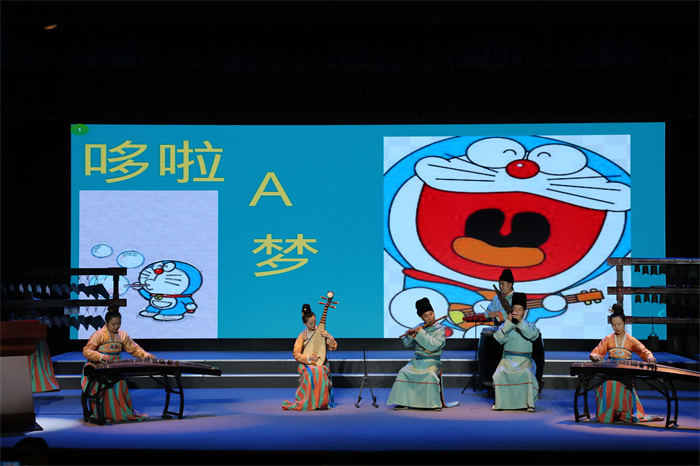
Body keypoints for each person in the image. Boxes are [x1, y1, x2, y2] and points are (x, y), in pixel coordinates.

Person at [589, 304, 663, 423]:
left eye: (619, 324)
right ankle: (607, 415)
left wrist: (650, 357)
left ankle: (622, 413)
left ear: (625, 323)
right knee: (609, 383)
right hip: (610, 372)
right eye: (614, 325)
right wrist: (595, 356)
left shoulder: (631, 340)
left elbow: (644, 351)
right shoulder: (608, 339)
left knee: (617, 384)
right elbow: (595, 352)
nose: (617, 327)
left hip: (625, 374)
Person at [81, 307, 155, 422]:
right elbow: (87, 350)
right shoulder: (98, 335)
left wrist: (145, 354)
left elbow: (134, 349)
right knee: (102, 385)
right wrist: (101, 356)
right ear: (106, 323)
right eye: (113, 324)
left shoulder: (123, 335)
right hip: (99, 367)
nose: (116, 326)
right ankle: (104, 413)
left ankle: (118, 413)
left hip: (115, 366)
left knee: (120, 383)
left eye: (118, 323)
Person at [387, 297, 458, 411]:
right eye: (426, 316)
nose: (430, 318)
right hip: (417, 361)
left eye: (431, 314)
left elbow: (434, 345)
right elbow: (406, 344)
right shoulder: (418, 327)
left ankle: (432, 403)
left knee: (430, 374)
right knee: (403, 372)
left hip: (432, 362)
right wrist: (410, 335)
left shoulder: (440, 329)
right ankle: (404, 402)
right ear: (421, 318)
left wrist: (420, 333)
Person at [282, 303, 338, 411]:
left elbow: (333, 347)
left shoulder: (321, 332)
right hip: (306, 365)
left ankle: (322, 402)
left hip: (321, 363)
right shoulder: (302, 335)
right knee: (312, 372)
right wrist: (308, 358)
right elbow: (296, 353)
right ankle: (308, 402)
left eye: (315, 322)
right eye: (310, 323)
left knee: (320, 371)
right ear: (305, 323)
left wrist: (329, 336)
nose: (313, 325)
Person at [491, 292, 539, 412]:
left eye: (520, 309)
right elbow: (499, 338)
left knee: (527, 373)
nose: (516, 312)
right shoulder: (506, 325)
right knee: (499, 373)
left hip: (525, 361)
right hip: (508, 360)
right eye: (514, 309)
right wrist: (508, 325)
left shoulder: (530, 325)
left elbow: (532, 335)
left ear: (524, 312)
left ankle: (529, 403)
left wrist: (520, 322)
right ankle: (500, 403)